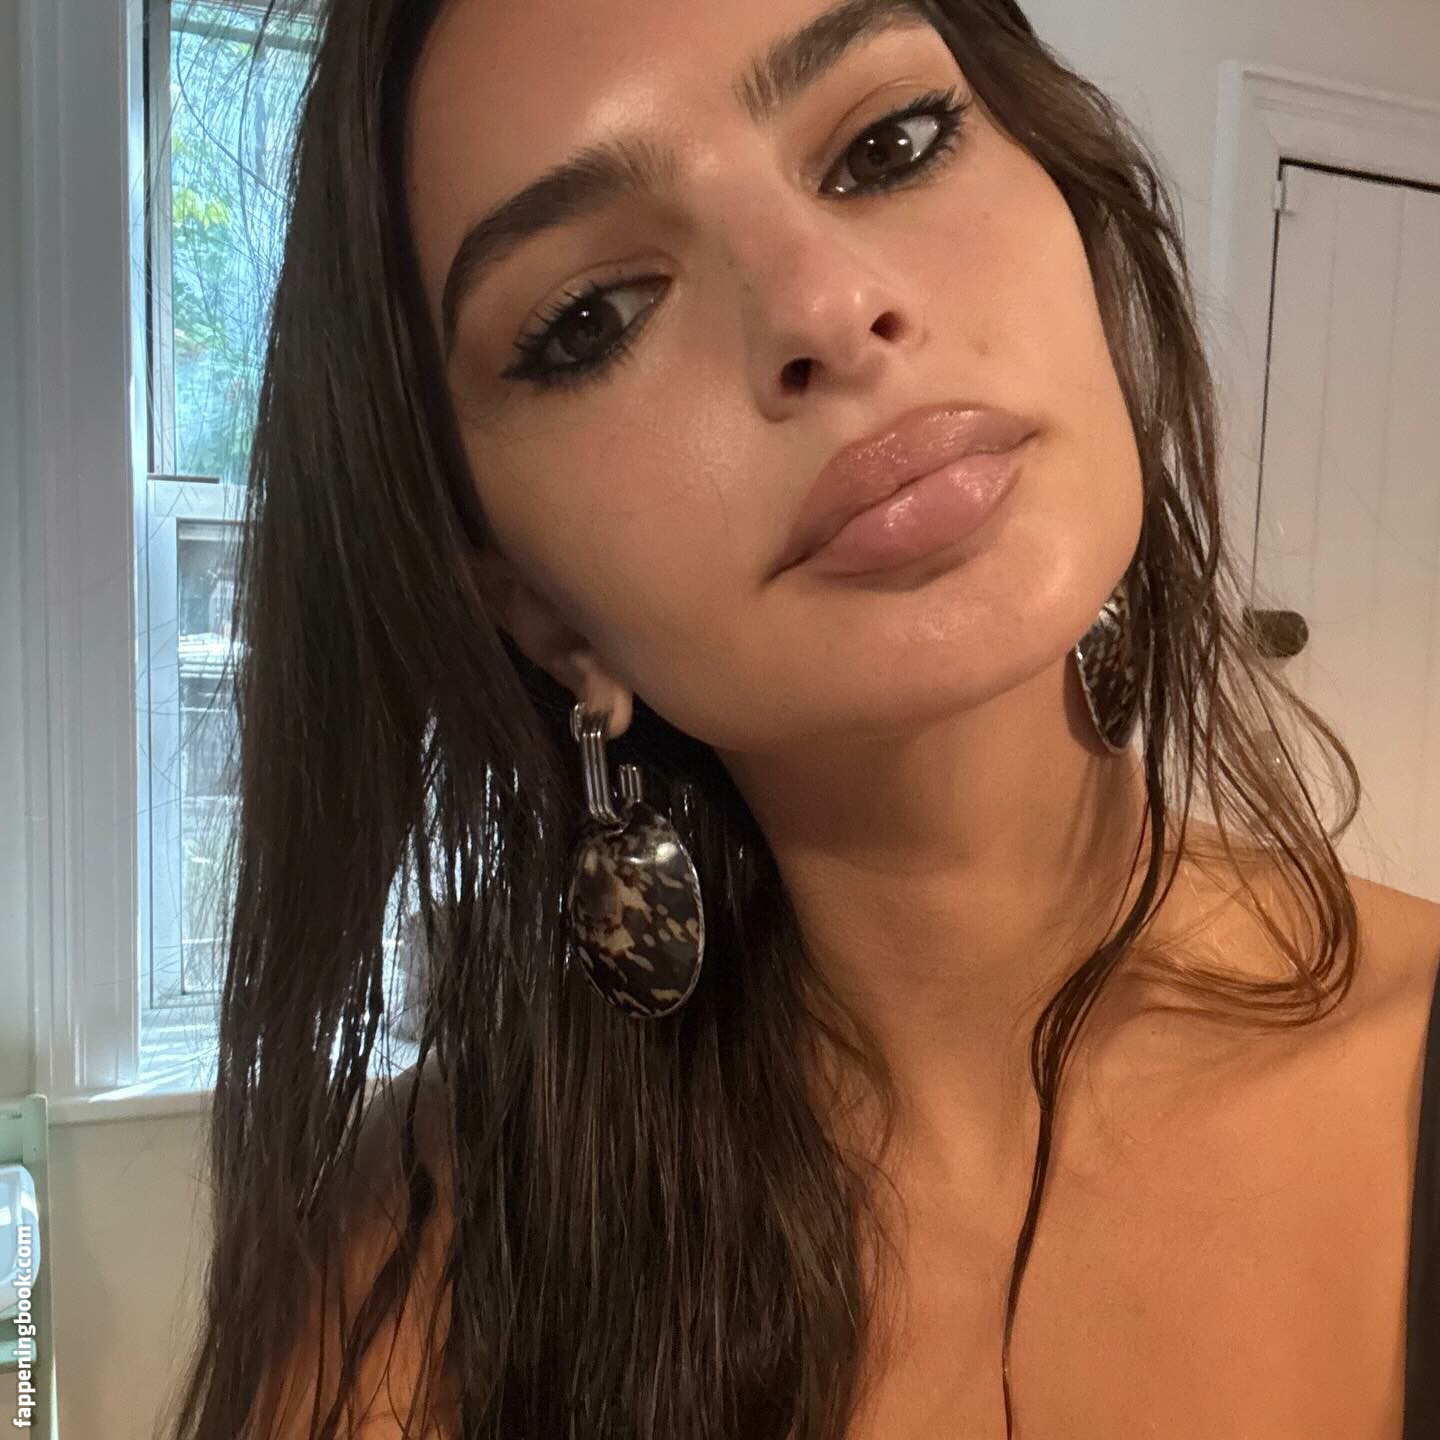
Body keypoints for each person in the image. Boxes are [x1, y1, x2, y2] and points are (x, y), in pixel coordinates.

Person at [159, 0, 1440, 1436]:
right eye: (592, 319)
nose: (826, 306)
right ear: (540, 613)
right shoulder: (394, 1297)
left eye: (891, 144)